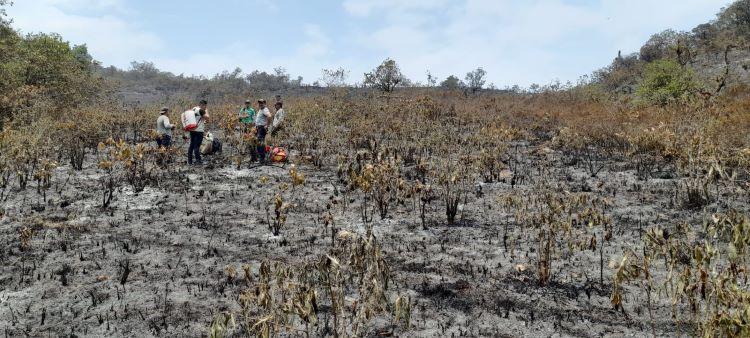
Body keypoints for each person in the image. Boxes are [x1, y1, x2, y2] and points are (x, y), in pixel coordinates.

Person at [188, 99, 209, 165]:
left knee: (191, 145)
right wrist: (206, 111)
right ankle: (198, 161)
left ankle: (190, 161)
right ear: (202, 105)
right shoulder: (200, 110)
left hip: (192, 130)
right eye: (205, 106)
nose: (205, 107)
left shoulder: (194, 108)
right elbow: (207, 117)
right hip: (198, 131)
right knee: (197, 146)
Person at [254, 99, 272, 163]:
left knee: (260, 143)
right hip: (259, 128)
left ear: (264, 103)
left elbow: (269, 116)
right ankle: (262, 157)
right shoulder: (261, 109)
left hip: (261, 128)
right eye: (259, 103)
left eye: (261, 103)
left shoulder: (265, 109)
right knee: (260, 143)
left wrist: (267, 125)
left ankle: (262, 158)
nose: (260, 104)